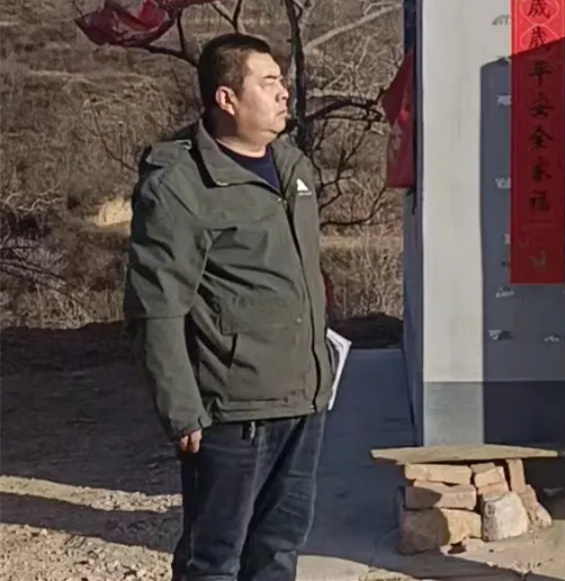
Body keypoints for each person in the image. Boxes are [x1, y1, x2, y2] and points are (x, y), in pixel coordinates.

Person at [123, 33, 333, 581]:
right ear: (227, 98)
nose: (283, 93)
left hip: (303, 398)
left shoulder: (292, 166)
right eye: (268, 83)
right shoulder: (181, 185)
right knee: (215, 559)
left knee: (279, 549)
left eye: (282, 81)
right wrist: (180, 409)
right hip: (232, 412)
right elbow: (155, 307)